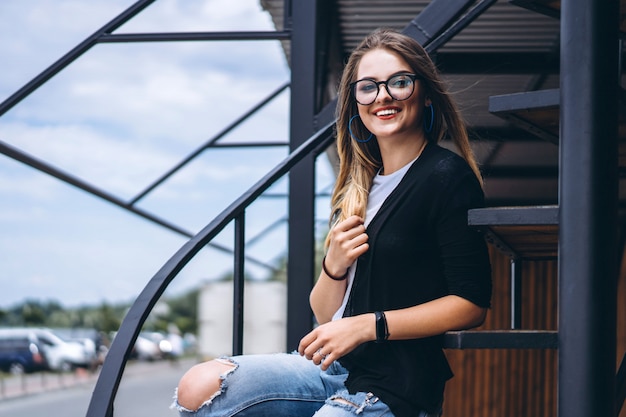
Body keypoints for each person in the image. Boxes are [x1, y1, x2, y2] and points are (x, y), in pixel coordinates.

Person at [172, 28, 492, 417]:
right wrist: (333, 264)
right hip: (330, 368)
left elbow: (471, 303)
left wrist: (366, 326)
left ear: (424, 93)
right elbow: (325, 314)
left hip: (395, 383)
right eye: (368, 87)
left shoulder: (445, 175)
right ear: (355, 101)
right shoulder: (358, 187)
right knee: (199, 387)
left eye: (399, 83)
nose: (383, 96)